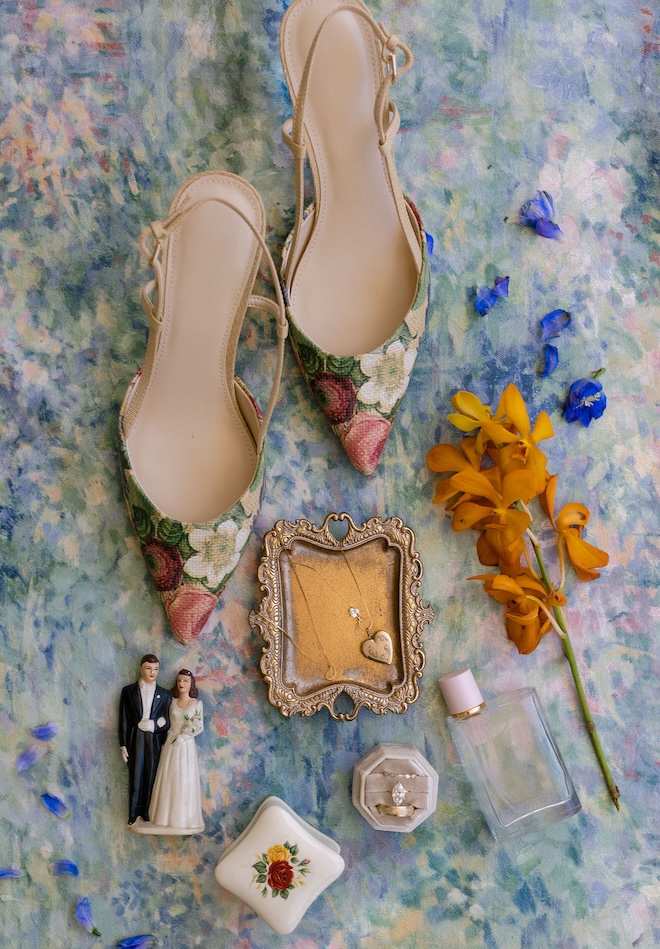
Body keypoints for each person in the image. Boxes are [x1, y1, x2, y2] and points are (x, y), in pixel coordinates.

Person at [136, 669, 205, 835]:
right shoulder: (171, 702)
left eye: (185, 681)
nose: (182, 684)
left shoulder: (196, 704)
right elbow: (165, 721)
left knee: (184, 778)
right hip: (170, 744)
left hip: (185, 745)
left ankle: (183, 819)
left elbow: (199, 725)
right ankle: (163, 817)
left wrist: (185, 736)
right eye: (180, 680)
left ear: (191, 684)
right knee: (169, 777)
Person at [118, 654, 171, 827]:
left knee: (150, 775)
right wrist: (123, 744)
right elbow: (124, 719)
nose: (152, 672)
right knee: (135, 775)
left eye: (156, 669)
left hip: (153, 740)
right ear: (141, 668)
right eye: (148, 668)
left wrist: (155, 725)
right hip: (136, 738)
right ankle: (133, 813)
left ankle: (146, 812)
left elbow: (168, 720)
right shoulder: (128, 691)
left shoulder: (164, 694)